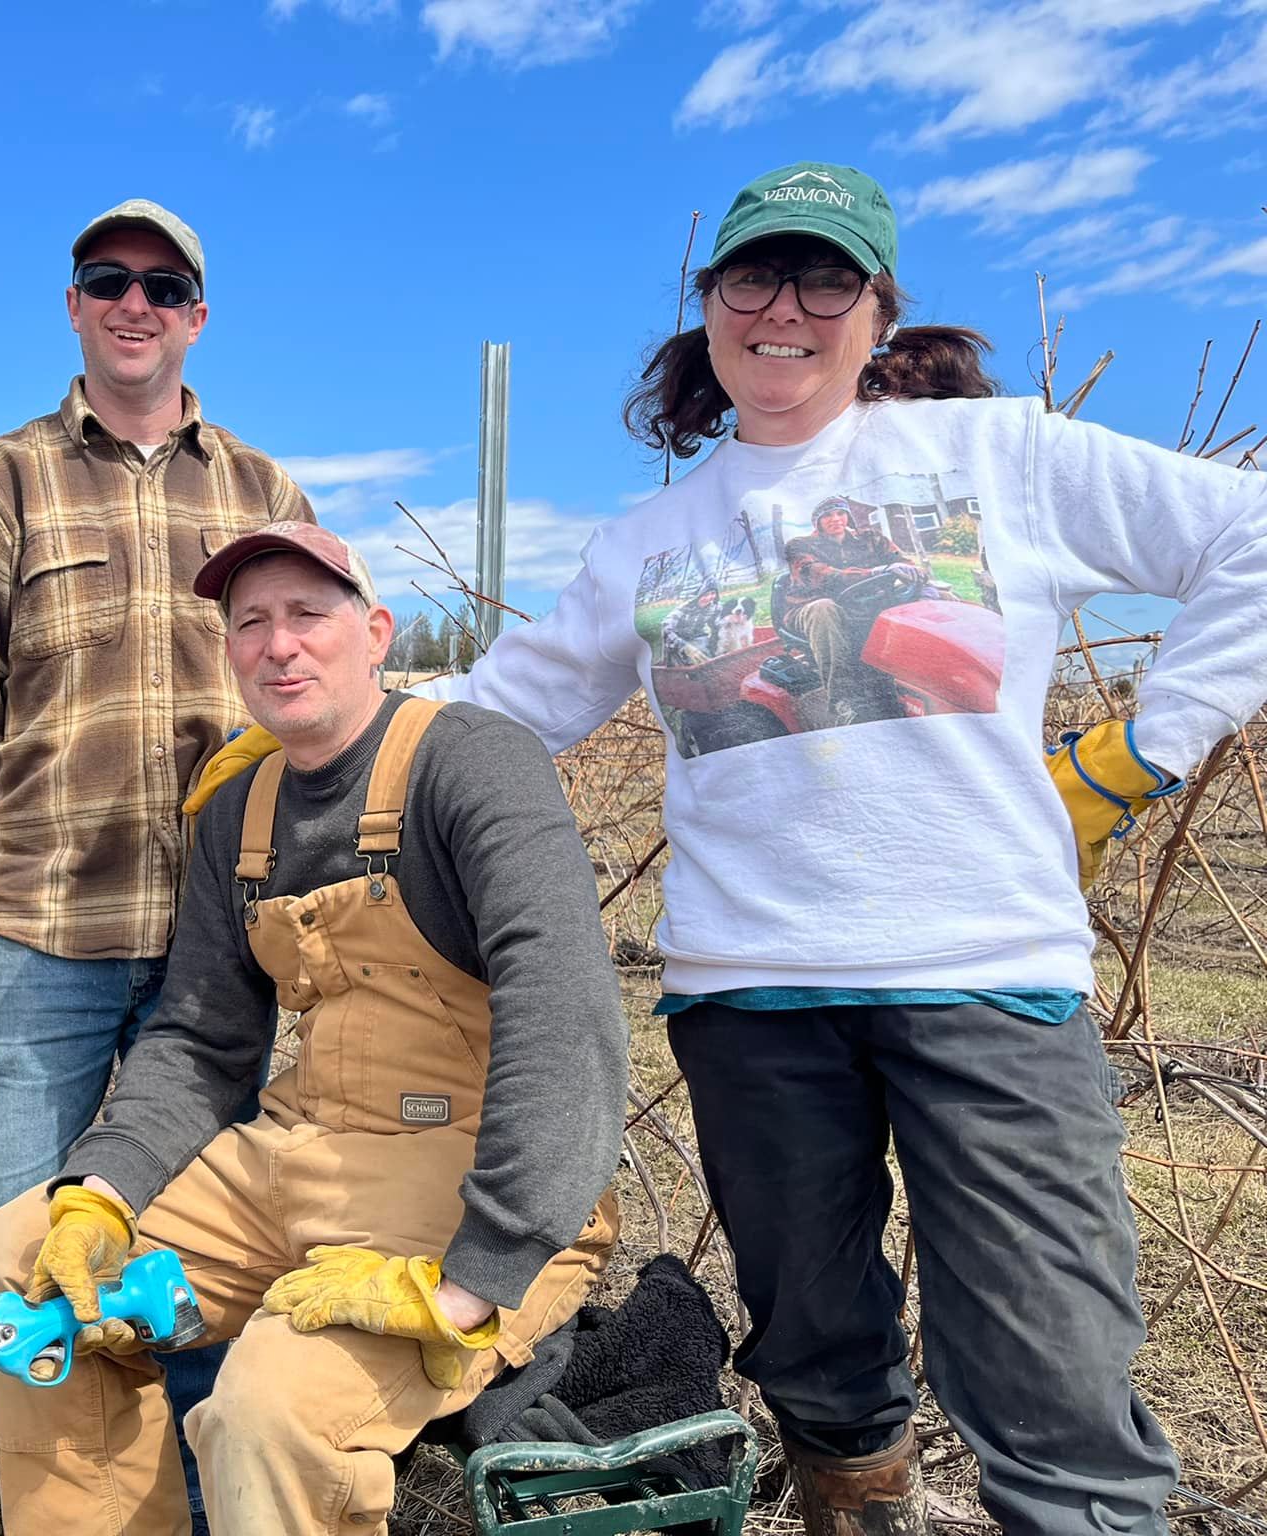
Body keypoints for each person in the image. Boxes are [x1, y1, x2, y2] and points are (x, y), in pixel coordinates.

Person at [425, 160, 1267, 1536]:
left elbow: (1255, 533)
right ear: (709, 308)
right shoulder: (650, 541)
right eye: (753, 275)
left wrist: (1128, 760)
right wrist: (314, 742)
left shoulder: (1002, 456)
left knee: (1052, 1372)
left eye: (827, 279)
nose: (785, 310)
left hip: (986, 977)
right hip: (750, 996)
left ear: (877, 313)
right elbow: (499, 717)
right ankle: (856, 1505)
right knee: (818, 1356)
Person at [0, 520, 625, 1535]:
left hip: (465, 1184)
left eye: (308, 615)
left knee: (268, 1408)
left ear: (373, 632)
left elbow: (563, 1010)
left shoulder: (473, 763)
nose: (279, 645)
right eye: (250, 622)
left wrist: (473, 1280)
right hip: (292, 1155)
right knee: (21, 1257)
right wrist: (98, 1195)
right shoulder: (239, 810)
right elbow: (195, 1037)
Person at [0, 200, 313, 1536]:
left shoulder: (266, 495)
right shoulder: (1, 482)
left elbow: (313, 703)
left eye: (164, 286)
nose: (135, 303)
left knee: (197, 1238)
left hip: (220, 946)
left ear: (198, 316)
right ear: (72, 305)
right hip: (43, 927)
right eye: (108, 279)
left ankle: (190, 1485)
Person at [778, 496, 923, 717]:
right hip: (809, 608)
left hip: (865, 606)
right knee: (824, 609)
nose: (835, 519)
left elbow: (902, 561)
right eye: (827, 515)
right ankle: (842, 701)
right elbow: (822, 576)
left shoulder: (871, 538)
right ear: (817, 522)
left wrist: (914, 572)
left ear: (848, 516)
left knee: (936, 593)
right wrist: (876, 571)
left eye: (840, 513)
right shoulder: (799, 546)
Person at [661, 580, 724, 664]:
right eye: (705, 595)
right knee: (688, 662)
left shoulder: (716, 607)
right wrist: (684, 646)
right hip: (679, 641)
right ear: (698, 596)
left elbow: (717, 626)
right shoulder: (684, 608)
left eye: (713, 593)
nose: (709, 598)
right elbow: (665, 628)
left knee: (708, 657)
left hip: (698, 638)